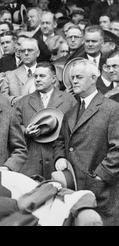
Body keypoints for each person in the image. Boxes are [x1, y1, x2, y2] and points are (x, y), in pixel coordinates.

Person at [53, 59, 119, 226]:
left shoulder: (112, 109)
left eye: (79, 77)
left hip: (102, 193)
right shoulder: (70, 112)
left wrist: (99, 177)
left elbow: (117, 150)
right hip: (74, 191)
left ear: (93, 78)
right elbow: (60, 141)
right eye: (72, 77)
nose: (74, 81)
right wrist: (59, 157)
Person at [14, 62, 76, 179]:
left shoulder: (69, 100)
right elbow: (12, 128)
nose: (37, 79)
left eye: (42, 76)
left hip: (58, 163)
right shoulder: (23, 102)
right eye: (35, 76)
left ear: (53, 79)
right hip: (31, 163)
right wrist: (25, 131)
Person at [0, 37, 41, 105]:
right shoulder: (10, 75)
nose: (26, 53)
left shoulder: (47, 73)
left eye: (30, 50)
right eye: (23, 51)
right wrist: (21, 100)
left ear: (37, 53)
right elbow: (2, 100)